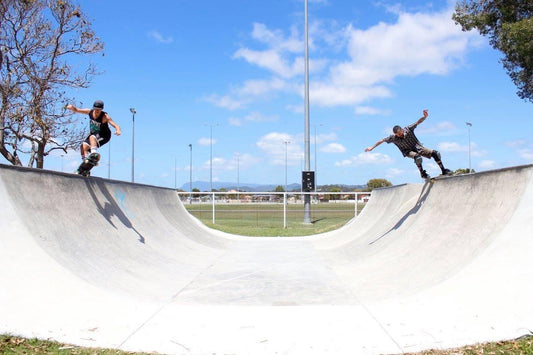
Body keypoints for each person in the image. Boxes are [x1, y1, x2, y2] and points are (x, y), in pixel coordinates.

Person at [365, 109, 451, 179]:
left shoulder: (408, 129)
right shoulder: (393, 138)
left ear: (402, 130)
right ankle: (422, 173)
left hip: (418, 147)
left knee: (435, 153)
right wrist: (372, 147)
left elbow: (418, 122)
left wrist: (424, 117)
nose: (399, 136)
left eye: (400, 134)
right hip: (407, 151)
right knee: (417, 158)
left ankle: (443, 170)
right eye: (397, 135)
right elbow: (382, 140)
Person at [66, 100, 121, 168]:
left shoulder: (105, 116)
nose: (97, 111)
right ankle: (86, 163)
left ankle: (93, 155)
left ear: (102, 109)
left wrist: (118, 130)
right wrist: (72, 108)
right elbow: (77, 110)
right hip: (94, 135)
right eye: (96, 109)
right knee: (83, 147)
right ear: (93, 108)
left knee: (92, 137)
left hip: (104, 135)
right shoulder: (89, 112)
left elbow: (116, 125)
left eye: (99, 110)